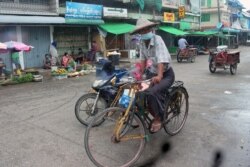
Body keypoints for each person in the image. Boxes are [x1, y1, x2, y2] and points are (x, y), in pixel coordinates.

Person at [131, 18, 175, 133]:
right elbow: (143, 60)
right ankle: (142, 115)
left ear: (150, 29)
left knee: (152, 92)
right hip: (152, 72)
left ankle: (158, 118)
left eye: (147, 29)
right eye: (142, 30)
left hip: (166, 74)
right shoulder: (141, 42)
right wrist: (139, 76)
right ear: (139, 32)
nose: (145, 32)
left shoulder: (157, 39)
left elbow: (161, 59)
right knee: (139, 91)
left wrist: (160, 75)